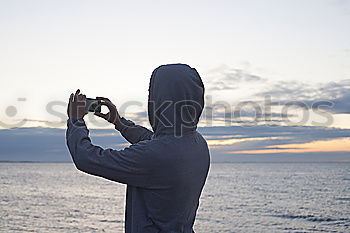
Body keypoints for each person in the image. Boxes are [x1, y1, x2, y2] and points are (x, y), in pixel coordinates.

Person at [66, 64, 210, 233]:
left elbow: (85, 158)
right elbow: (154, 140)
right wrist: (119, 122)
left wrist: (75, 120)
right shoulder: (198, 143)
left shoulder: (155, 155)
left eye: (153, 94)